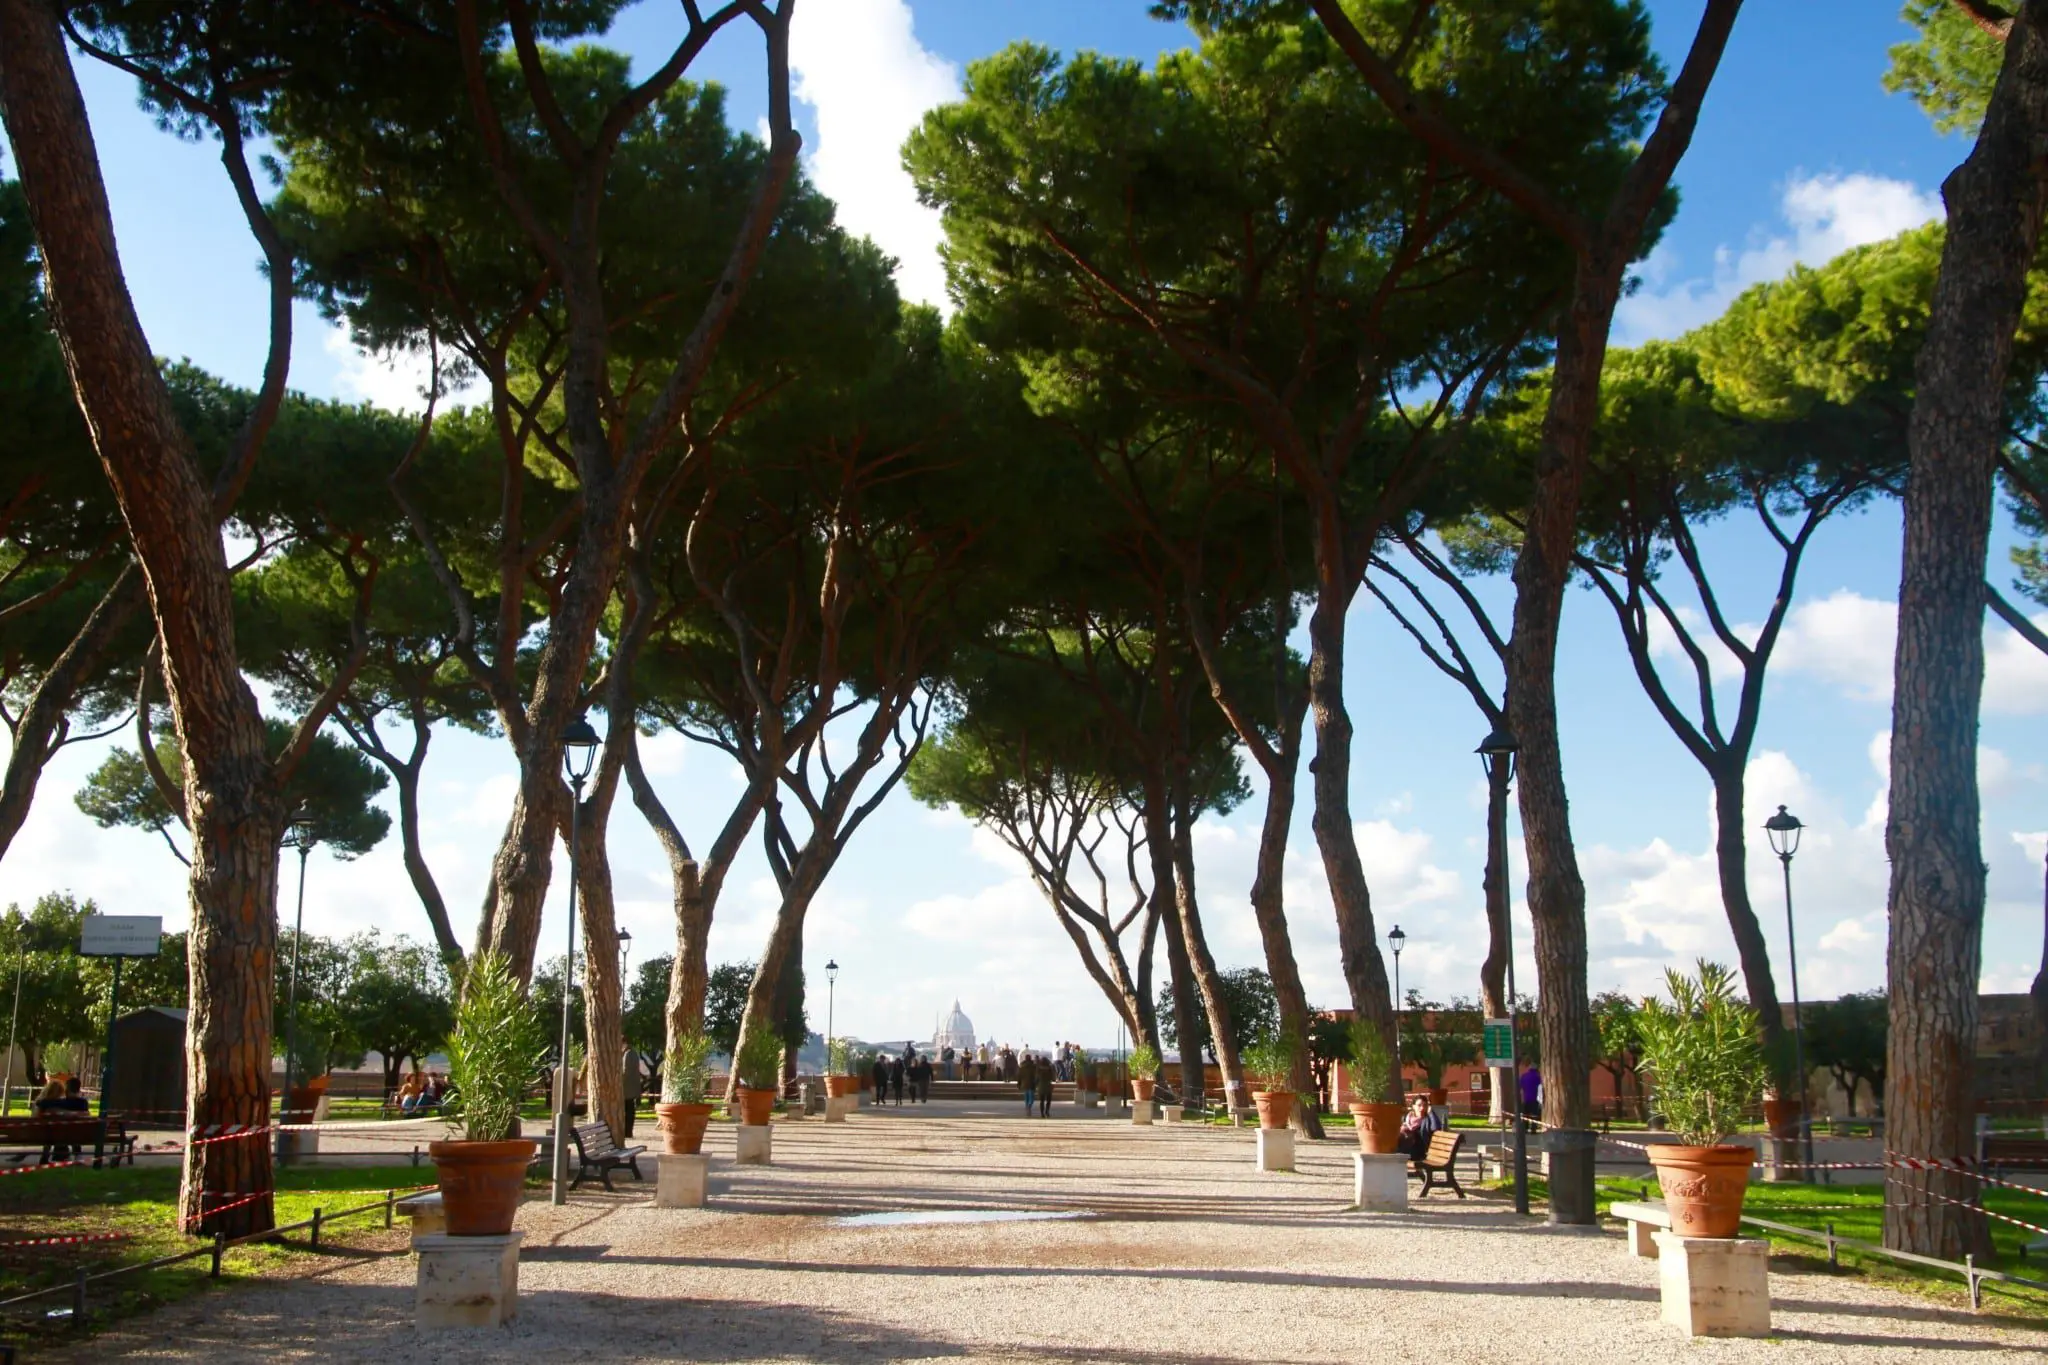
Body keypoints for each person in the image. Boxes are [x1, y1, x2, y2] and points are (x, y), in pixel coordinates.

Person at [621, 1047, 647, 1136]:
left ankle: (626, 1132)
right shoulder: (634, 1053)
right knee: (630, 1109)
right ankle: (628, 1131)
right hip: (632, 1087)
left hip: (626, 1088)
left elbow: (625, 1071)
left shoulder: (627, 1054)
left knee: (627, 1111)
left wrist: (618, 1081)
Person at [1518, 1064, 1542, 1128]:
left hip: (1526, 1098)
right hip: (1535, 1098)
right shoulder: (1538, 1077)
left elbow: (1521, 1088)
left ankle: (1525, 1128)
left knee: (1526, 1114)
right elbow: (1540, 1087)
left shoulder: (1524, 1076)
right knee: (1534, 1115)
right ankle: (1533, 1129)